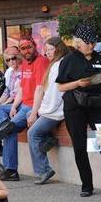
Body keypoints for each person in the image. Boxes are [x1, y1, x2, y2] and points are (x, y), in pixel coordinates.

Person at [0, 38, 50, 181]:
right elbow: (21, 89)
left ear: (35, 46)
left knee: (8, 130)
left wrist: (34, 112)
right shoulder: (24, 66)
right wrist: (15, 106)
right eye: (23, 48)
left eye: (29, 47)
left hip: (33, 106)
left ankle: (8, 165)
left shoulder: (41, 62)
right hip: (23, 105)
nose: (26, 51)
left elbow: (40, 88)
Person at [55, 24, 101, 197]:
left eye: (93, 42)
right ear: (78, 43)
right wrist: (77, 83)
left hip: (97, 105)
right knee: (80, 145)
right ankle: (87, 185)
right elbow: (60, 87)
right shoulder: (69, 61)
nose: (91, 45)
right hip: (75, 107)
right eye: (87, 42)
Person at [27, 37, 69, 185]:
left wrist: (41, 111)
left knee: (32, 133)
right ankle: (48, 138)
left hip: (55, 111)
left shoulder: (59, 65)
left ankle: (44, 170)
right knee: (28, 115)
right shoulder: (55, 64)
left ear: (58, 48)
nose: (47, 53)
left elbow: (55, 93)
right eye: (45, 51)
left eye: (49, 50)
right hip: (51, 108)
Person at [0, 46, 22, 115]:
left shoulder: (24, 70)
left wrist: (5, 103)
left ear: (18, 57)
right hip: (11, 102)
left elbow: (18, 92)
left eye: (13, 58)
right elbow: (7, 91)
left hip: (20, 102)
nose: (11, 61)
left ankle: (6, 125)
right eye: (8, 60)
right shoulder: (10, 72)